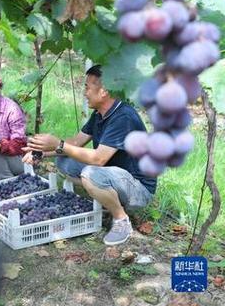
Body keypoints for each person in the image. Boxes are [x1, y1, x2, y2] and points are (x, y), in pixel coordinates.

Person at [23, 65, 156, 246]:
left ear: (104, 91)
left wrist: (58, 144)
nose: (84, 92)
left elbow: (98, 159)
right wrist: (42, 152)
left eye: (87, 87)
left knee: (90, 174)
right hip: (115, 175)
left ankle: (121, 219)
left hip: (138, 188)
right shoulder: (100, 114)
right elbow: (76, 143)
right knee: (64, 160)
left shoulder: (123, 117)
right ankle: (106, 198)